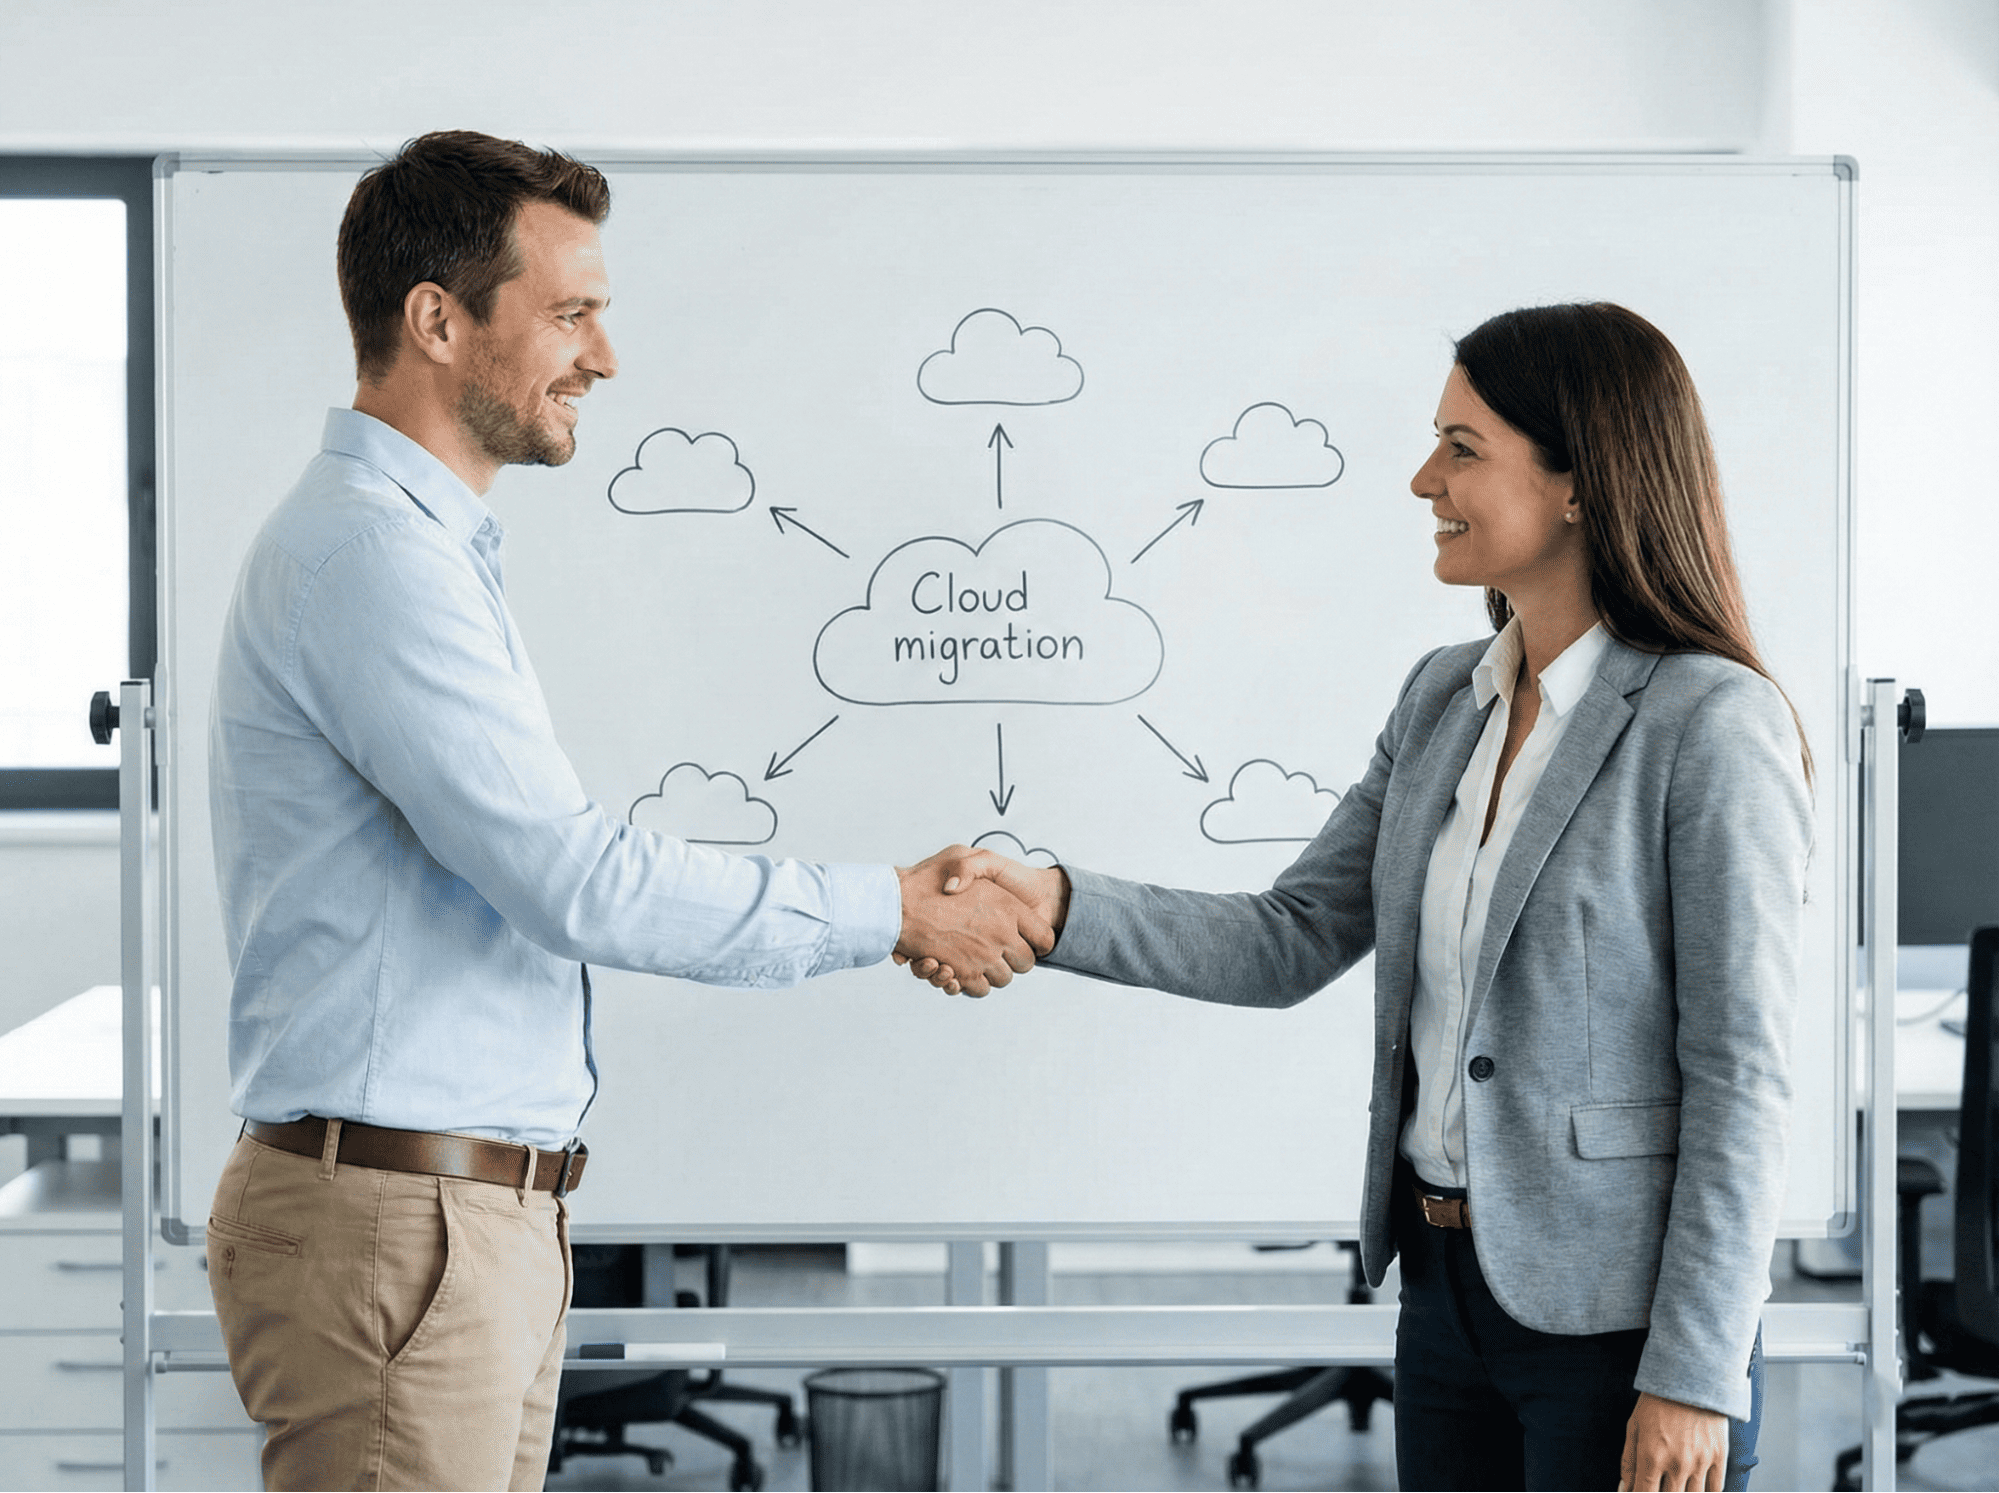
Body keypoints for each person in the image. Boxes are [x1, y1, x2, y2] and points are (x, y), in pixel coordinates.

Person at [202, 130, 1051, 1493]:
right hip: (399, 1230)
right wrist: (889, 907)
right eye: (571, 314)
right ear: (436, 319)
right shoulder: (373, 560)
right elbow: (574, 882)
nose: (605, 356)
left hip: (450, 1220)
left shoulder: (414, 549)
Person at [914, 302, 1811, 1493]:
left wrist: (1697, 1370)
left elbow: (1740, 1070)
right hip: (1446, 1298)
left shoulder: (1709, 724)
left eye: (1461, 448)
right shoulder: (1444, 698)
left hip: (1619, 1323)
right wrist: (1052, 903)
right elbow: (1288, 937)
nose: (1421, 478)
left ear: (1580, 481)